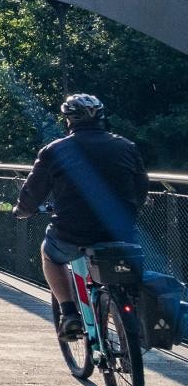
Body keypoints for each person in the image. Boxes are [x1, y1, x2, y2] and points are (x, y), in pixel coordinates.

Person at [12, 93, 149, 341]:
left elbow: (32, 193)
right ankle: (129, 315)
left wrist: (22, 210)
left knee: (50, 254)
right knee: (125, 263)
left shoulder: (54, 151)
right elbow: (141, 190)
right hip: (120, 231)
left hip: (73, 232)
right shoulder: (126, 147)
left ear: (68, 121)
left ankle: (69, 313)